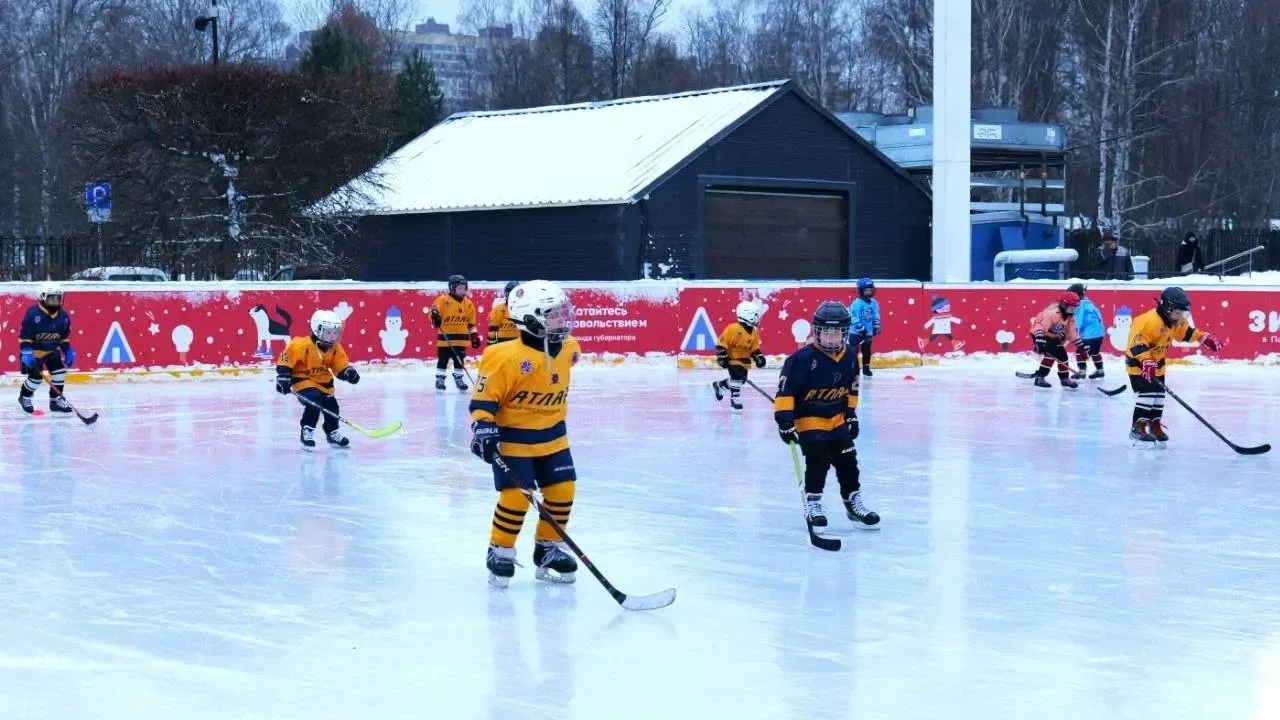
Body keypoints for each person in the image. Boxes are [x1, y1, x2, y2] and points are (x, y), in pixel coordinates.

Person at [470, 280, 581, 588]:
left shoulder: (570, 348)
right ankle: (500, 550)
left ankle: (547, 548)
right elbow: (483, 399)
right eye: (553, 314)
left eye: (561, 311)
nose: (562, 319)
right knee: (517, 497)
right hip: (514, 441)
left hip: (555, 437)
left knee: (563, 491)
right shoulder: (503, 356)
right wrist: (484, 425)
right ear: (531, 319)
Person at [774, 301, 880, 531]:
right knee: (818, 460)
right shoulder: (800, 360)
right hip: (809, 419)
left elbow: (852, 388)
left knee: (848, 461)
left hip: (837, 419)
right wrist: (785, 421)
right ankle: (813, 503)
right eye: (827, 333)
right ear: (817, 332)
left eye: (837, 333)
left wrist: (850, 413)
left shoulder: (850, 356)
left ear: (845, 333)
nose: (831, 338)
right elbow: (785, 392)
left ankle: (852, 503)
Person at [1125, 287, 1222, 444]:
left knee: (1159, 396)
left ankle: (1154, 425)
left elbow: (1186, 333)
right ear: (1167, 308)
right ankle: (1138, 428)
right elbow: (1135, 345)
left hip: (1158, 365)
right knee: (1148, 394)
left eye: (1182, 312)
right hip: (1138, 365)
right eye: (1178, 312)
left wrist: (1202, 338)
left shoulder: (1175, 321)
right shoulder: (1147, 321)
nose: (1181, 315)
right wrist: (1145, 361)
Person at [276, 310, 360, 449]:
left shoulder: (335, 348)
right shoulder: (301, 345)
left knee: (332, 406)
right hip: (303, 381)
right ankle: (307, 430)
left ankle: (332, 432)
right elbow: (286, 359)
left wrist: (348, 373)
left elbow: (340, 365)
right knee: (314, 401)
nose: (333, 336)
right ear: (317, 330)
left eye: (335, 332)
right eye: (328, 332)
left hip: (324, 384)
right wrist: (283, 377)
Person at [18, 283, 75, 415]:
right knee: (36, 378)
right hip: (33, 353)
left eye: (58, 298)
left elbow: (63, 338)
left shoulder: (64, 317)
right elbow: (24, 337)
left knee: (59, 373)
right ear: (42, 297)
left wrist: (67, 350)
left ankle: (55, 401)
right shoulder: (33, 314)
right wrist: (26, 352)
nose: (55, 301)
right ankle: (24, 397)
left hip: (51, 352)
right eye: (51, 298)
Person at [712, 300, 766, 410]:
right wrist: (722, 356)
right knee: (737, 377)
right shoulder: (733, 329)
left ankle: (719, 385)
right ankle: (735, 398)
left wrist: (758, 357)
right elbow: (722, 342)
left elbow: (754, 348)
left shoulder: (754, 331)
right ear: (749, 316)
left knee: (741, 379)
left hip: (744, 360)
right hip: (733, 359)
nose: (759, 318)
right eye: (756, 315)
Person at [430, 274, 479, 391]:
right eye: (459, 288)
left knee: (459, 361)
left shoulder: (468, 304)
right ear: (452, 288)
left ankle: (459, 379)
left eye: (464, 288)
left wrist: (474, 335)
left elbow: (471, 323)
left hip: (461, 341)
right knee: (443, 360)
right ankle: (440, 379)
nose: (462, 290)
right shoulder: (442, 300)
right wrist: (435, 317)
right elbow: (433, 312)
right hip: (445, 340)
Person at [1029, 292, 1081, 389]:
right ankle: (1040, 377)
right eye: (1072, 307)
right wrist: (1039, 341)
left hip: (1053, 336)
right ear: (1064, 305)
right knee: (1051, 353)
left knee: (1062, 354)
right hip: (1040, 333)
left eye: (1075, 307)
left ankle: (1064, 379)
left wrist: (1079, 344)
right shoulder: (1052, 313)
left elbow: (1071, 332)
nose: (1074, 310)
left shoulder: (1069, 316)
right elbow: (1040, 326)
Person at [1068, 283, 1106, 379]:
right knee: (1095, 352)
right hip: (1099, 333)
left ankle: (1082, 372)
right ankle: (1100, 370)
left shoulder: (1080, 304)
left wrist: (1074, 330)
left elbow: (1078, 319)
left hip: (1089, 334)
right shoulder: (1089, 303)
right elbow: (1099, 316)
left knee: (1080, 351)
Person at [848, 277, 881, 376]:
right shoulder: (856, 303)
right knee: (853, 351)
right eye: (866, 290)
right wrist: (861, 329)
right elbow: (854, 318)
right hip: (856, 332)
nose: (869, 292)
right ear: (860, 291)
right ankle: (853, 368)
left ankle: (866, 369)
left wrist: (876, 326)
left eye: (870, 290)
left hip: (868, 332)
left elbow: (876, 316)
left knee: (867, 351)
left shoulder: (874, 303)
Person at [487, 280, 521, 345]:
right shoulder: (498, 309)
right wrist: (491, 344)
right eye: (509, 294)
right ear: (506, 294)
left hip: (519, 345)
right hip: (502, 344)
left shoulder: (524, 310)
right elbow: (492, 329)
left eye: (514, 294)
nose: (512, 297)